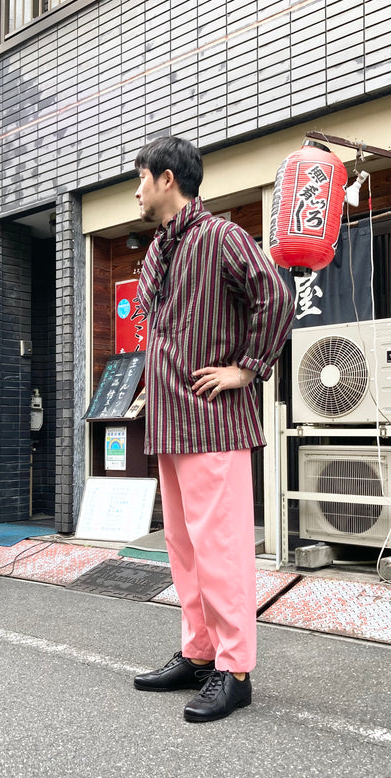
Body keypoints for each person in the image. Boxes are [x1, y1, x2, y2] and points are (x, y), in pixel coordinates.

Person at [132, 136, 294, 723]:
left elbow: (275, 295)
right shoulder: (159, 251)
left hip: (216, 422)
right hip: (172, 422)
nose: (137, 191)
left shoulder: (222, 236)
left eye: (141, 179)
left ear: (168, 179)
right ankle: (200, 653)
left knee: (221, 549)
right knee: (184, 547)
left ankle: (236, 670)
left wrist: (246, 369)